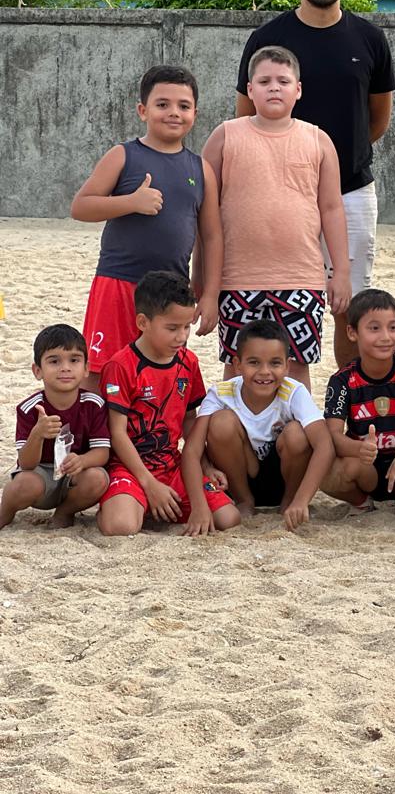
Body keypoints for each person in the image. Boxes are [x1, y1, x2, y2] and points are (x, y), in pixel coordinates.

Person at [236, 0, 395, 369]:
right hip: (280, 196)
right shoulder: (267, 38)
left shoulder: (369, 39)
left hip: (351, 192)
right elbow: (245, 118)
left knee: (351, 306)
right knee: (280, 304)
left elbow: (377, 119)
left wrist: (333, 160)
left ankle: (348, 396)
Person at [204, 45, 351, 390]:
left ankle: (295, 428)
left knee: (295, 370)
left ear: (297, 89)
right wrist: (204, 279)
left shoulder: (318, 140)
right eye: (264, 81)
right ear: (249, 89)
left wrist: (341, 272)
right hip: (237, 279)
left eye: (283, 81)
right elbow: (205, 212)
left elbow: (332, 208)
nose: (274, 88)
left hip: (302, 279)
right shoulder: (225, 136)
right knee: (238, 369)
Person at [71, 65, 222, 391]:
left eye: (183, 106)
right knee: (101, 372)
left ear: (195, 113)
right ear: (143, 110)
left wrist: (210, 294)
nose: (174, 112)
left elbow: (211, 236)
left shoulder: (201, 169)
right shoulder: (123, 155)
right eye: (162, 104)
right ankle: (94, 426)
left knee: (160, 373)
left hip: (171, 291)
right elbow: (80, 206)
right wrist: (131, 202)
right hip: (117, 283)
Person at [95, 271, 240, 537]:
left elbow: (190, 422)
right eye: (172, 328)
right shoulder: (120, 366)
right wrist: (149, 484)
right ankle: (122, 502)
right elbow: (117, 433)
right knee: (121, 527)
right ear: (143, 322)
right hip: (129, 468)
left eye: (186, 327)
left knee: (227, 517)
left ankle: (149, 505)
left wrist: (205, 466)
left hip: (173, 465)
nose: (181, 336)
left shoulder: (189, 362)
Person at [184, 319, 335, 530]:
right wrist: (199, 505)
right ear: (237, 365)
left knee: (297, 433)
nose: (265, 371)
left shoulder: (294, 392)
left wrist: (302, 500)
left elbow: (325, 445)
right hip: (236, 478)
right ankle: (244, 500)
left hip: (284, 479)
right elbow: (192, 450)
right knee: (221, 423)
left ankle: (289, 503)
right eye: (254, 362)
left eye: (275, 363)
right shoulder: (221, 394)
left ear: (287, 366)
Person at [322, 289, 395, 516]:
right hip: (365, 469)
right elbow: (332, 436)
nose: (386, 337)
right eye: (374, 328)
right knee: (323, 466)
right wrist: (359, 449)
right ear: (352, 332)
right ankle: (360, 501)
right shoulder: (342, 380)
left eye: (393, 327)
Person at [2, 325, 109, 530]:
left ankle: (65, 512)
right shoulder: (30, 408)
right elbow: (26, 463)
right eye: (54, 361)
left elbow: (102, 452)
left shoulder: (94, 404)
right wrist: (38, 434)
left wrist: (82, 460)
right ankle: (4, 513)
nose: (65, 368)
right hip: (40, 475)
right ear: (37, 371)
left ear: (86, 368)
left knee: (98, 478)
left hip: (74, 476)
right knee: (22, 485)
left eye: (74, 360)